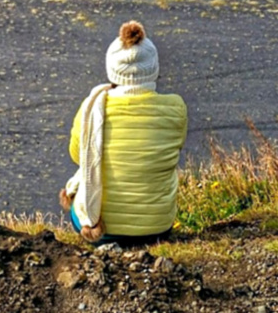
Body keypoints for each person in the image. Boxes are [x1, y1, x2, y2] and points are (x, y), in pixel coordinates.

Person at [60, 20, 187, 244]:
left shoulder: (90, 109)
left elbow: (77, 155)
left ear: (112, 69)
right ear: (154, 69)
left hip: (102, 231)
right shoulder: (176, 107)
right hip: (157, 227)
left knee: (82, 180)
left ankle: (95, 222)